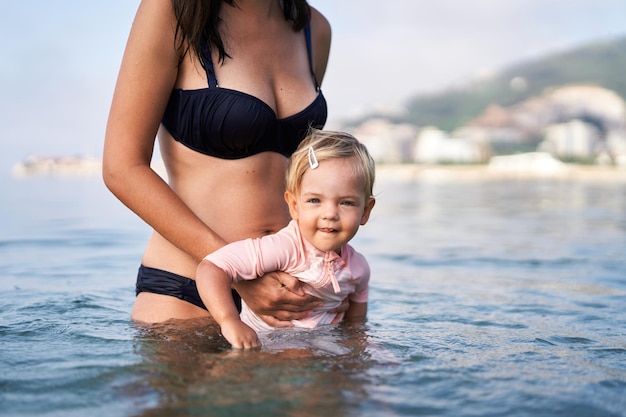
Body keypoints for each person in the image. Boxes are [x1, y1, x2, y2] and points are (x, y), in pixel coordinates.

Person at [102, 0, 334, 324]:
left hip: (285, 290)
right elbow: (122, 169)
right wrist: (235, 270)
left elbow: (297, 173)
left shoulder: (314, 29)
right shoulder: (172, 9)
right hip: (188, 288)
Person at [195, 129, 376, 349]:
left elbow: (356, 326)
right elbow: (212, 268)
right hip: (262, 348)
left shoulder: (358, 268)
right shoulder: (285, 248)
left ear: (365, 211)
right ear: (293, 205)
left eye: (346, 203)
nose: (330, 214)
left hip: (321, 351)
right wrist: (229, 320)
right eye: (314, 200)